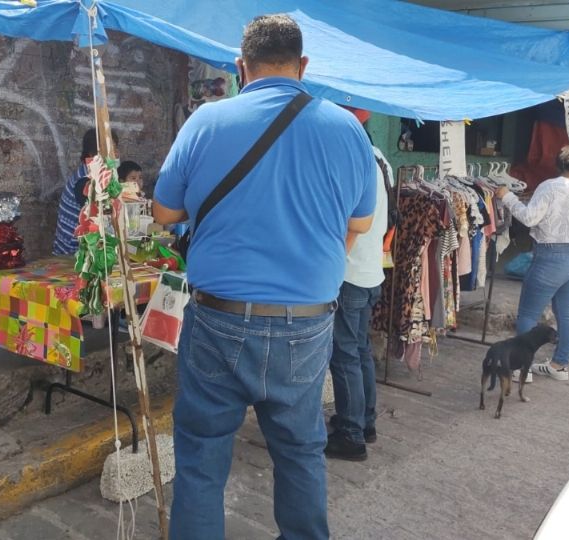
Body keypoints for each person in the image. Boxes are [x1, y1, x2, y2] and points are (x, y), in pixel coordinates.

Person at [153, 15, 376, 540]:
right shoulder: (346, 127)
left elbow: (164, 214)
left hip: (217, 317)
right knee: (300, 451)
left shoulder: (207, 121)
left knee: (203, 455)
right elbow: (360, 223)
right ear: (303, 67)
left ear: (239, 67)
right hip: (306, 321)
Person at [496, 140, 569, 381]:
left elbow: (529, 217)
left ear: (559, 164)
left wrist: (507, 197)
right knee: (566, 313)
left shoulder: (550, 187)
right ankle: (559, 365)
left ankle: (521, 369)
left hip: (552, 257)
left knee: (528, 314)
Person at [325, 116, 390, 462]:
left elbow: (349, 225)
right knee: (359, 350)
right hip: (370, 272)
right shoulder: (378, 161)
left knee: (345, 355)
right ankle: (364, 423)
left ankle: (351, 434)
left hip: (350, 274)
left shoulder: (354, 165)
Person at [51, 128, 118, 256]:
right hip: (70, 253)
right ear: (94, 153)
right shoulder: (84, 179)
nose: (116, 155)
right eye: (111, 150)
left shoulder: (97, 174)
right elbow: (100, 213)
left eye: (115, 149)